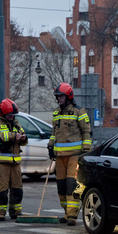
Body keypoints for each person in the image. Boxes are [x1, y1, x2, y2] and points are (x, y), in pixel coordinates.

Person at [48, 83, 91, 225]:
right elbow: (54, 133)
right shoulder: (56, 113)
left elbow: (87, 132)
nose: (59, 99)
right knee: (61, 186)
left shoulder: (79, 112)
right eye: (58, 97)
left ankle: (72, 216)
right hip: (59, 156)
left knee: (71, 185)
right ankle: (67, 213)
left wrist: (86, 150)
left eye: (61, 96)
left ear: (68, 97)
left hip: (74, 155)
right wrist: (50, 146)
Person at [0, 99, 28, 221]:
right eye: (10, 115)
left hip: (15, 163)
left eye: (13, 115)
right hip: (1, 163)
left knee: (17, 189)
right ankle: (0, 212)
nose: (12, 117)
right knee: (2, 189)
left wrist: (23, 138)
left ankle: (16, 211)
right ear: (3, 114)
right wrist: (13, 136)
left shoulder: (16, 124)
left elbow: (24, 140)